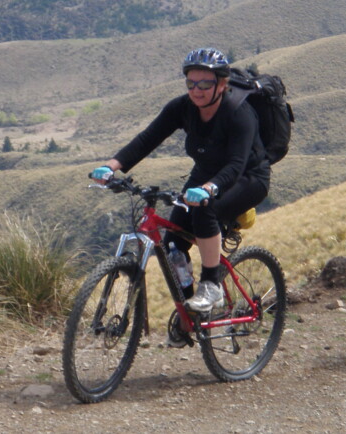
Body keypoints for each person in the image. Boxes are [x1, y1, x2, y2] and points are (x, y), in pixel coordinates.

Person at [91, 47, 271, 343]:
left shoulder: (239, 113)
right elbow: (147, 139)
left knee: (205, 210)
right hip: (205, 175)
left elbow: (236, 165)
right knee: (174, 243)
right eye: (191, 83)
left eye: (205, 84)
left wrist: (210, 189)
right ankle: (191, 312)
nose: (196, 90)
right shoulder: (181, 108)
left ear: (222, 84)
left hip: (248, 177)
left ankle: (211, 285)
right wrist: (112, 166)